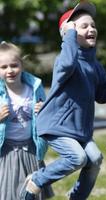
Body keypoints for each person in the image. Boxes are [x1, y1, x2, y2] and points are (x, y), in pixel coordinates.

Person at [20, 2, 106, 200]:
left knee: (95, 159)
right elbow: (68, 62)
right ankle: (37, 180)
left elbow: (103, 94)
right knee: (78, 158)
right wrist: (69, 36)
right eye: (83, 26)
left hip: (80, 131)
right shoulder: (63, 59)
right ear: (68, 33)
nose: (91, 29)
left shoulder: (94, 64)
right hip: (57, 125)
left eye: (93, 25)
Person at [0, 41, 53, 200]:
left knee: (33, 193)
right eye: (3, 67)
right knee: (7, 193)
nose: (10, 70)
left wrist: (43, 111)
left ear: (21, 64)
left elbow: (49, 114)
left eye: (14, 65)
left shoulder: (34, 88)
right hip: (6, 152)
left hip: (31, 149)